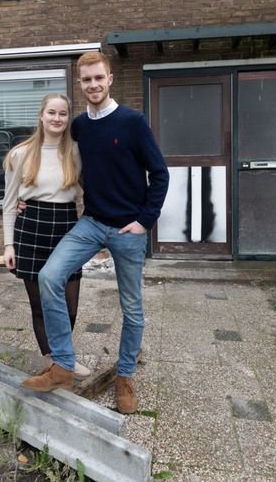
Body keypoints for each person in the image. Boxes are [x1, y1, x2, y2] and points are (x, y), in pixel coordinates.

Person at [21, 51, 168, 415]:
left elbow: (160, 174)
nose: (93, 85)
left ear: (110, 79)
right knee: (50, 276)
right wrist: (28, 193)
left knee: (131, 307)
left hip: (128, 229)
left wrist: (145, 221)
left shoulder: (132, 122)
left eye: (98, 78)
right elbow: (52, 152)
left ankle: (125, 377)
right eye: (86, 80)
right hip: (91, 222)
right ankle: (63, 366)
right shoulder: (80, 127)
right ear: (81, 84)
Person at [3, 93, 91, 378]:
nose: (57, 118)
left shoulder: (77, 153)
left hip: (66, 227)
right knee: (39, 306)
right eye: (51, 112)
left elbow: (92, 191)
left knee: (69, 305)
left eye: (63, 114)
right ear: (41, 115)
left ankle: (63, 355)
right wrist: (8, 245)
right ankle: (52, 363)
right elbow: (8, 203)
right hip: (29, 229)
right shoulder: (20, 154)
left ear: (68, 119)